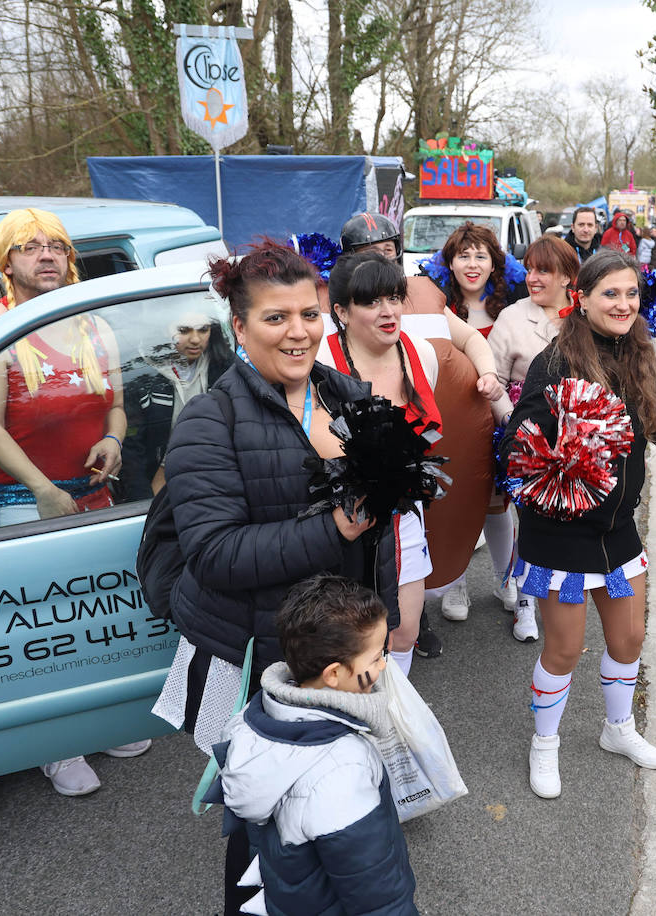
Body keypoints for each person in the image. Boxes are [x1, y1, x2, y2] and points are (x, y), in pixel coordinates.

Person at [151, 239, 398, 916]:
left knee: (338, 802)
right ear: (239, 326)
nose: (299, 332)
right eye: (275, 317)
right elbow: (216, 554)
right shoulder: (209, 421)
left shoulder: (347, 394)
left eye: (309, 314)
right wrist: (336, 528)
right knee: (263, 822)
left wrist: (383, 624)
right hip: (253, 653)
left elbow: (385, 512)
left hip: (342, 647)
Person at [504, 249, 656, 799]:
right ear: (580, 299)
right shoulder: (554, 363)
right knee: (563, 651)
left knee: (629, 637)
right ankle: (545, 744)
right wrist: (568, 448)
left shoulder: (641, 357)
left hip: (617, 532)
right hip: (559, 535)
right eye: (610, 293)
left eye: (632, 293)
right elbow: (520, 447)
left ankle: (618, 729)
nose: (624, 303)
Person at [0, 207, 150, 796]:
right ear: (7, 262)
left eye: (56, 247)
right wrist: (43, 490)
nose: (47, 256)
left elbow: (117, 404)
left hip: (95, 496)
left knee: (100, 618)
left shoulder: (91, 321)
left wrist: (114, 438)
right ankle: (56, 746)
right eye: (30, 248)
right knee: (45, 628)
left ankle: (101, 720)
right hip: (29, 501)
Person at [215, 574, 417, 916]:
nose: (384, 664)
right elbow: (375, 892)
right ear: (334, 674)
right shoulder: (343, 769)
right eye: (376, 657)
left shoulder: (254, 721)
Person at [319, 252, 441, 676]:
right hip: (342, 518)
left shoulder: (421, 354)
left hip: (404, 514)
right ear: (341, 311)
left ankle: (391, 723)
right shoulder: (320, 363)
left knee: (404, 631)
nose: (388, 312)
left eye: (393, 297)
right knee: (349, 640)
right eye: (372, 302)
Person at [489, 234, 582, 642]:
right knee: (530, 523)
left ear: (567, 276)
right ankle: (525, 603)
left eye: (543, 270)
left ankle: (572, 591)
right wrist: (519, 427)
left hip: (581, 441)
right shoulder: (512, 317)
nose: (532, 277)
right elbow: (491, 381)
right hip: (525, 439)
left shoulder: (585, 316)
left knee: (575, 520)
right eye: (528, 269)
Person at [425, 222, 519, 622]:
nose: (472, 263)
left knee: (498, 507)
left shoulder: (510, 308)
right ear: (449, 263)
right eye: (464, 255)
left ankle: (505, 578)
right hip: (453, 421)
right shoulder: (433, 309)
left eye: (481, 255)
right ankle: (455, 581)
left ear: (494, 264)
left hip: (499, 417)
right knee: (454, 503)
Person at [120, 307, 232, 500]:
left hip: (216, 475)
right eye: (184, 330)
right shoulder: (140, 374)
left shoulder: (224, 367)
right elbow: (131, 448)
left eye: (203, 330)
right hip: (158, 482)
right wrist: (144, 503)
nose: (195, 339)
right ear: (164, 330)